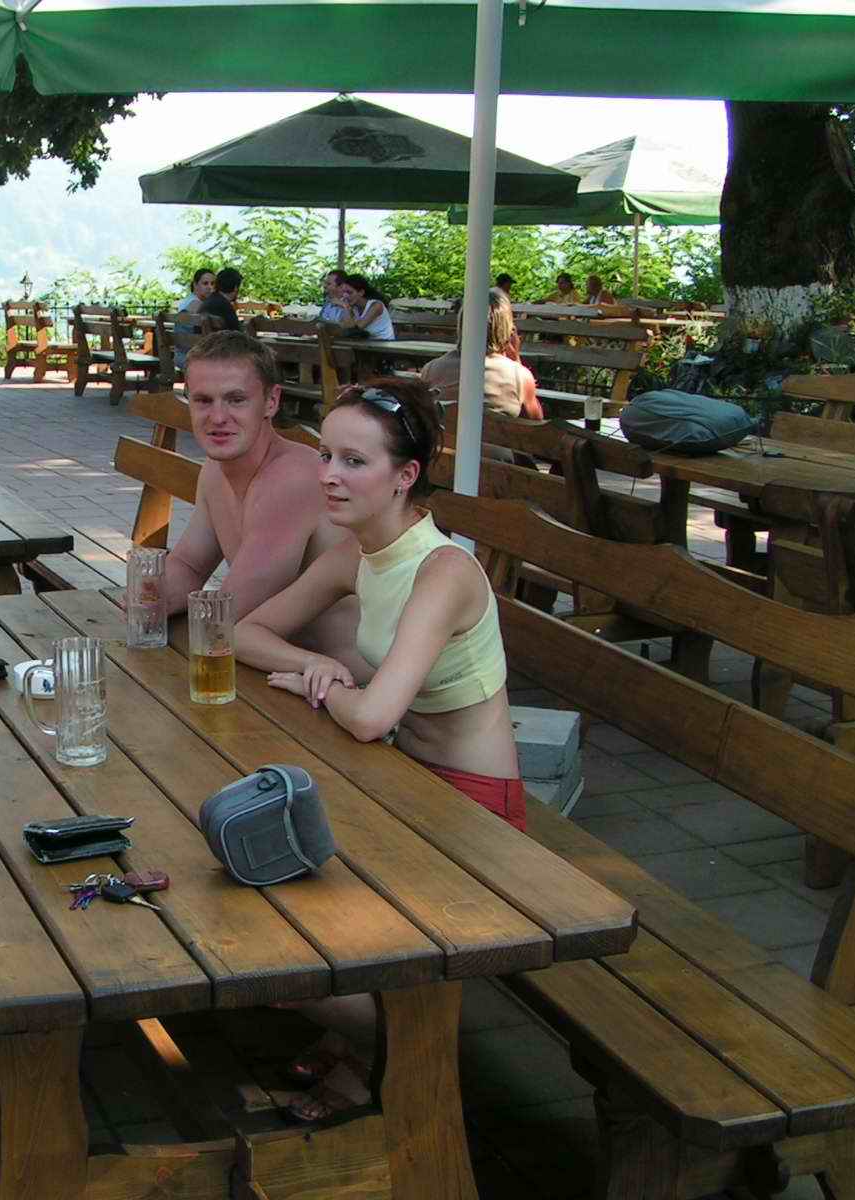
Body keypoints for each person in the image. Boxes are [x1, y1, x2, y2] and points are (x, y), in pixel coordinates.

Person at [232, 377, 521, 1124]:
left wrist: (325, 686)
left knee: (288, 922)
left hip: (472, 812)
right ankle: (364, 1036)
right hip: (402, 780)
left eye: (354, 461)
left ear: (405, 476)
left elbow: (370, 718)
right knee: (263, 868)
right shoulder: (358, 553)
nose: (328, 474)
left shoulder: (443, 570)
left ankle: (398, 1049)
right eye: (326, 455)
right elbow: (245, 633)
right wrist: (313, 664)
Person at [159, 331, 355, 648]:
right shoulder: (215, 470)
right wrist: (152, 595)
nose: (218, 417)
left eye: (236, 400)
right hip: (273, 661)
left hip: (339, 672)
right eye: (203, 400)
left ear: (271, 401)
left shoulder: (294, 478)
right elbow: (189, 565)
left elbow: (230, 612)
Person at [417, 288, 544, 420]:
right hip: (496, 434)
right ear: (507, 330)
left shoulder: (431, 370)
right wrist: (516, 360)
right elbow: (536, 424)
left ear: (462, 324)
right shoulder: (519, 376)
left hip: (447, 434)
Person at [174, 266, 217, 370]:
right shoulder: (196, 304)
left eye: (212, 284)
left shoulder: (186, 301)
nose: (210, 287)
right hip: (193, 357)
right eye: (205, 283)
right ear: (195, 285)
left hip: (180, 355)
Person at [336, 274, 395, 340]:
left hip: (385, 344)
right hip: (367, 344)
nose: (345, 296)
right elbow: (344, 327)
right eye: (344, 292)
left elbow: (355, 329)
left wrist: (346, 307)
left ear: (361, 292)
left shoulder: (376, 305)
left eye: (349, 292)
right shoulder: (354, 307)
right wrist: (348, 309)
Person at [198, 267, 243, 334]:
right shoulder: (225, 307)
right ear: (236, 288)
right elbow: (238, 334)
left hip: (201, 340)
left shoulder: (207, 302)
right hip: (220, 341)